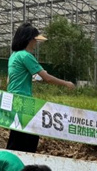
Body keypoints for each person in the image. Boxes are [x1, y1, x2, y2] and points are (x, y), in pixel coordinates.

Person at [6, 22, 75, 153]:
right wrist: (66, 83)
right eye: (35, 40)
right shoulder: (26, 56)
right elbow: (47, 78)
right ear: (28, 39)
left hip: (13, 100)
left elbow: (10, 79)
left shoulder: (13, 56)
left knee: (16, 138)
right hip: (24, 102)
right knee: (29, 140)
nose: (36, 43)